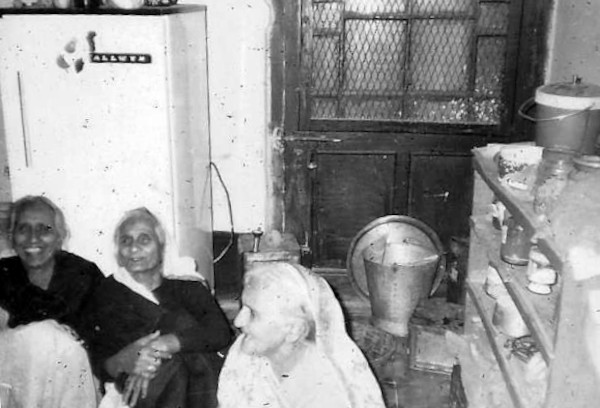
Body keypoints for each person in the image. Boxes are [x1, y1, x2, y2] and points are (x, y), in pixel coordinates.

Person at [85, 207, 233, 408]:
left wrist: (166, 343)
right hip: (137, 391)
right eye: (126, 241)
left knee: (179, 339)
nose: (134, 248)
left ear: (161, 245)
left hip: (187, 384)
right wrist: (123, 360)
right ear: (118, 252)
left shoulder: (189, 288)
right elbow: (98, 359)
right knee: (177, 350)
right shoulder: (107, 294)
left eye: (144, 239)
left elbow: (220, 332)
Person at [217, 261, 386, 408]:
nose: (238, 321)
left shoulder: (327, 394)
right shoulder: (246, 352)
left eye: (253, 313)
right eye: (242, 307)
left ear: (293, 330)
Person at [0, 195, 105, 408]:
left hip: (73, 386)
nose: (33, 238)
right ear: (11, 237)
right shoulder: (3, 274)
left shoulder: (83, 274)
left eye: (44, 229)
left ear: (60, 236)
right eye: (23, 229)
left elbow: (107, 334)